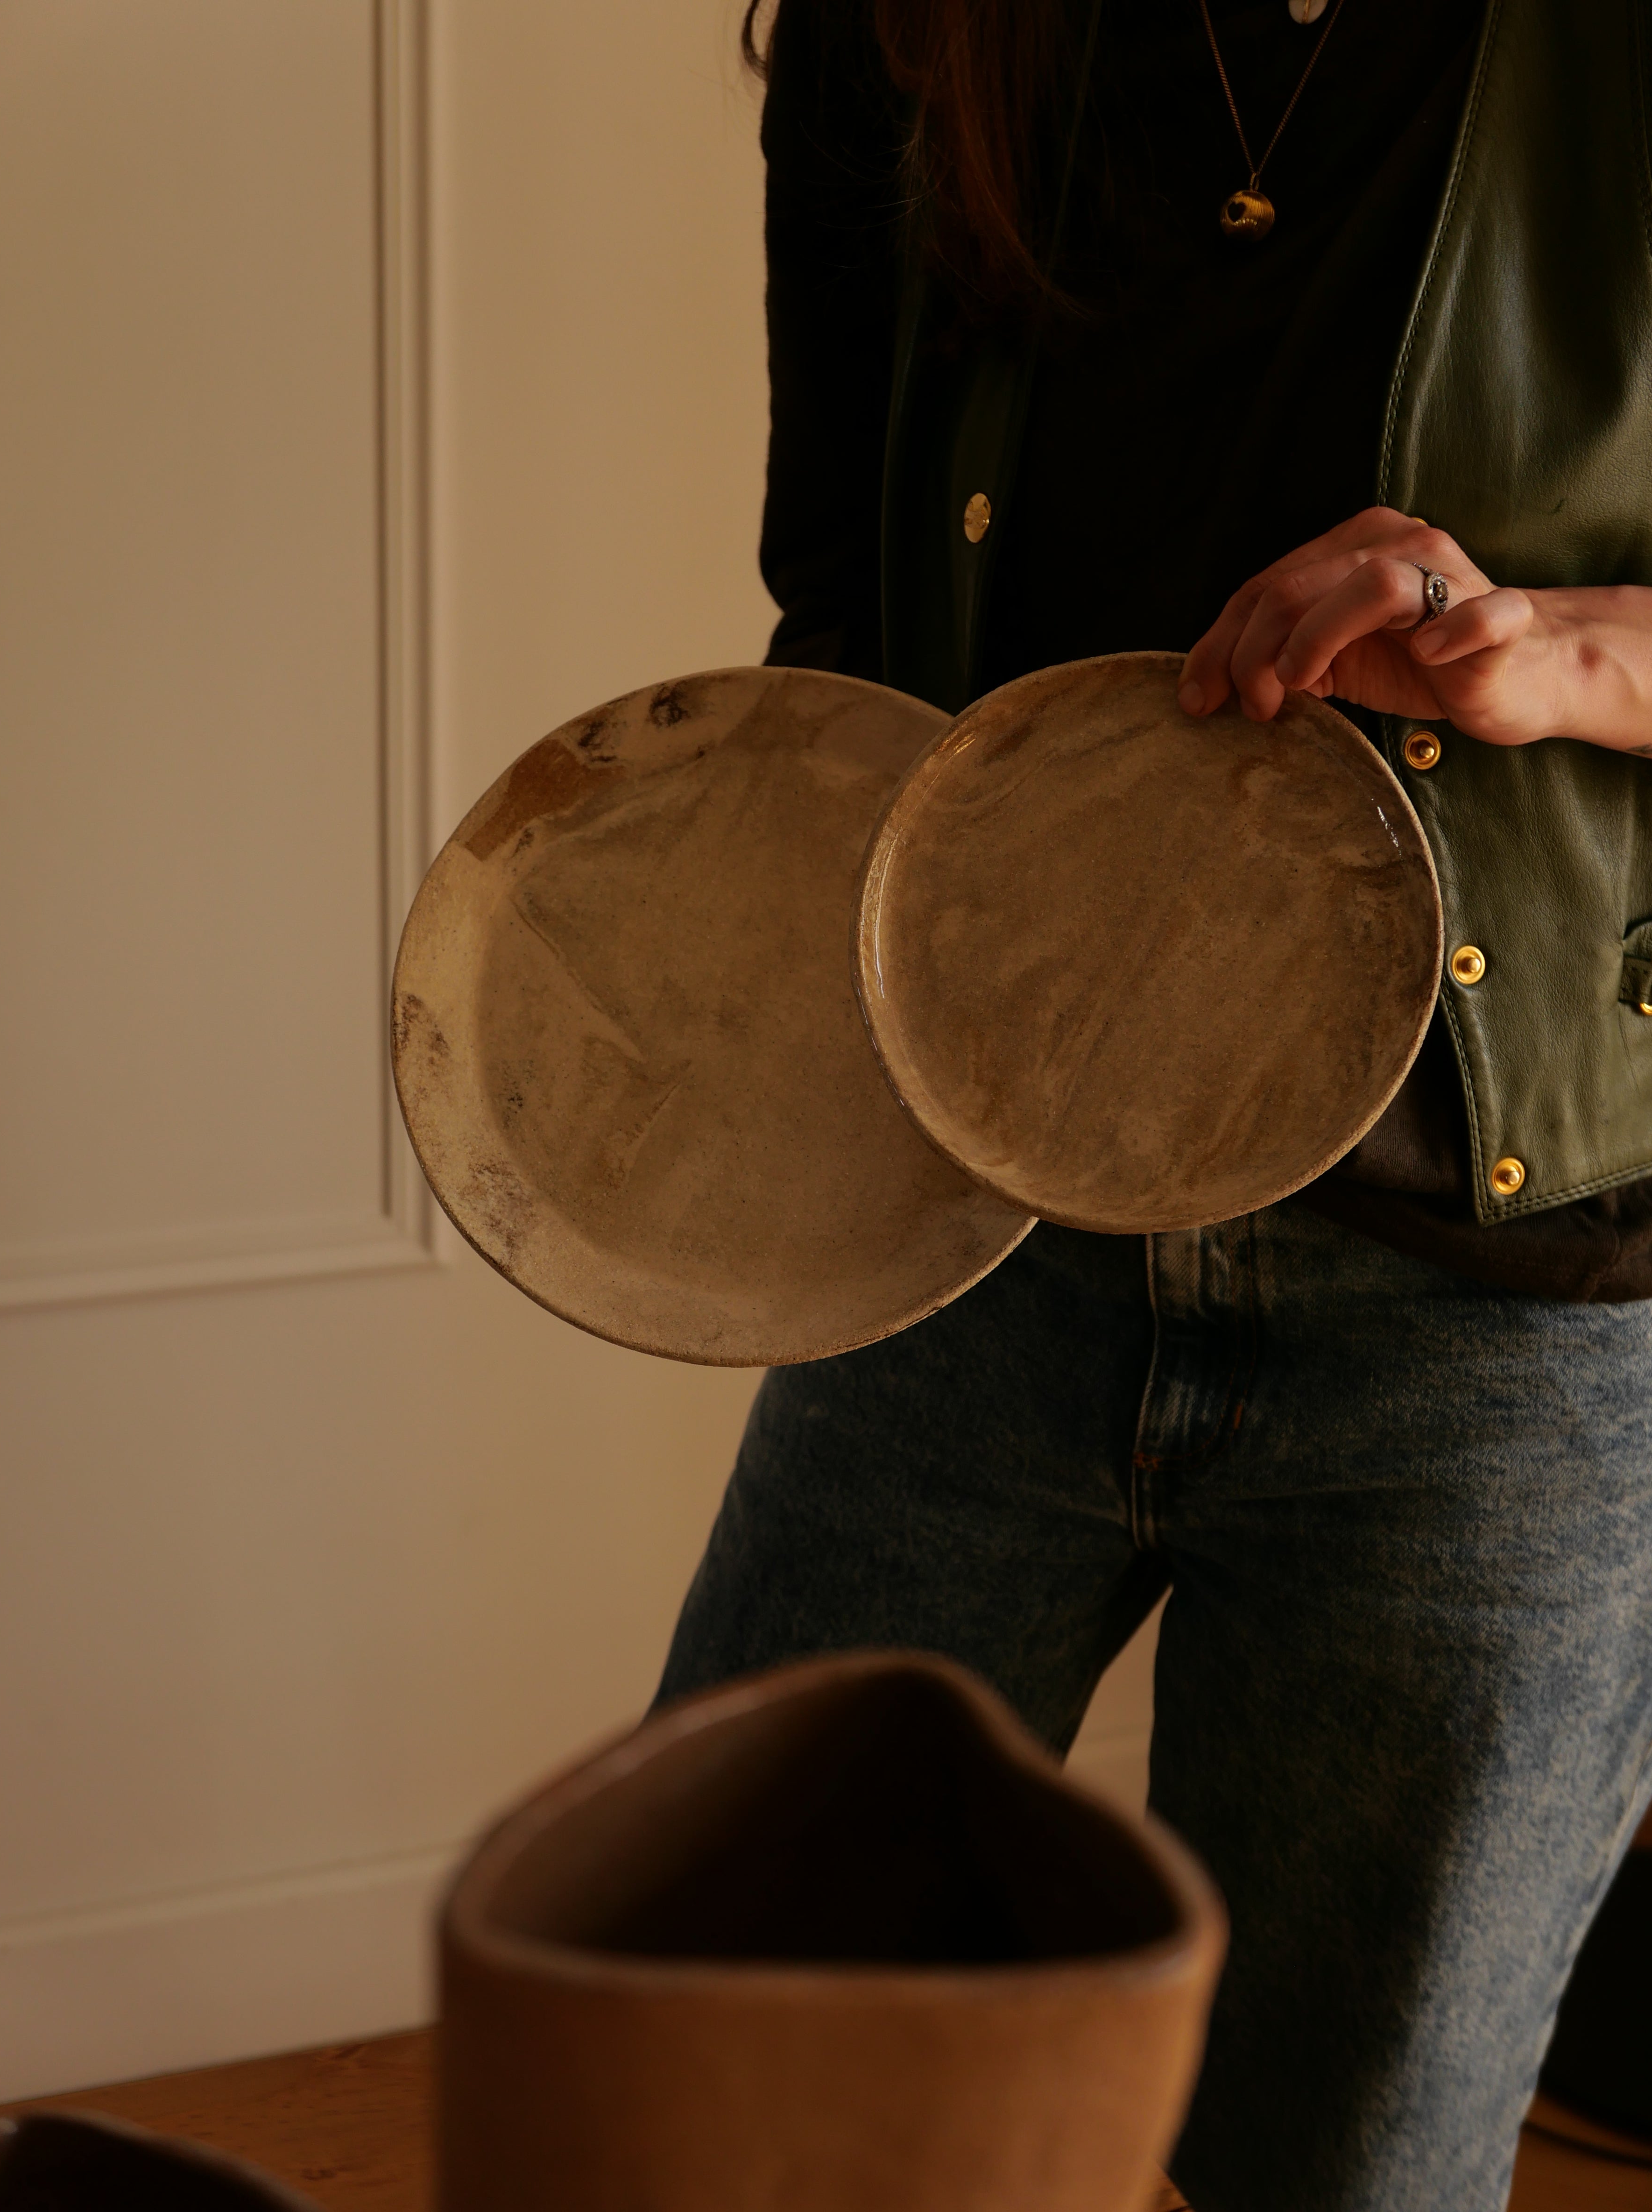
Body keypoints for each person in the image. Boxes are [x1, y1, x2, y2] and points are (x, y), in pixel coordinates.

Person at [656, 1, 1652, 2205]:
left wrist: (1576, 649)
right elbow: (849, 603)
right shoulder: (918, 25)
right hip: (972, 1226)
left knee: (1354, 2167)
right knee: (699, 2065)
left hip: (1499, 1307)